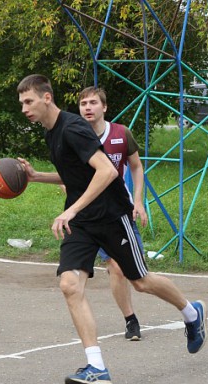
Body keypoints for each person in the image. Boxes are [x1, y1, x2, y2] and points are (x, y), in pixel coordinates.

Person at [16, 74, 207, 384]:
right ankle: (97, 367)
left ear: (46, 98)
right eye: (21, 103)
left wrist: (71, 209)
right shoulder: (51, 133)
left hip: (111, 217)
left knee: (141, 281)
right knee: (69, 285)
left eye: (28, 101)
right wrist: (36, 177)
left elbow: (105, 170)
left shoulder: (74, 127)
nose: (24, 108)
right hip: (82, 224)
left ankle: (191, 313)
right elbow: (74, 176)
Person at [78, 86, 147, 341]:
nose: (88, 107)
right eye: (83, 103)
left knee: (138, 276)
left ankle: (186, 309)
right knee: (115, 267)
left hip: (120, 210)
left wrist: (138, 201)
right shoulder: (75, 136)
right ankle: (131, 320)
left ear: (104, 107)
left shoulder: (121, 133)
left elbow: (136, 167)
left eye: (93, 102)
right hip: (91, 214)